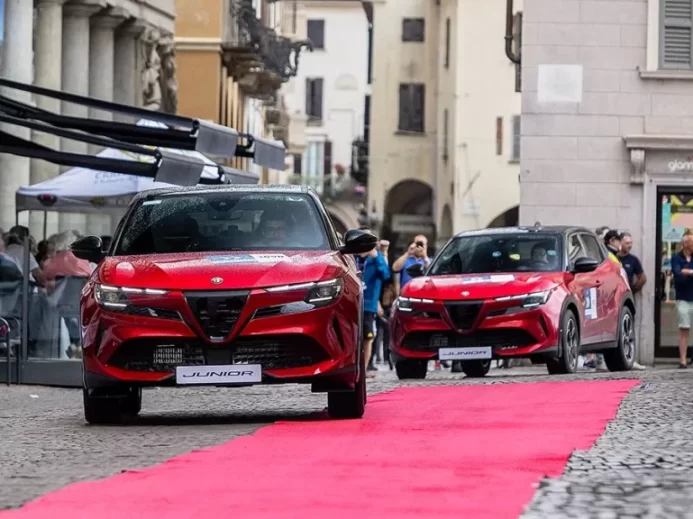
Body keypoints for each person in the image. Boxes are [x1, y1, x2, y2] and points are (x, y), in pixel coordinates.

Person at [360, 237, 390, 378]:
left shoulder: (375, 259)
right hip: (358, 303)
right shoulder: (361, 260)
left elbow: (386, 274)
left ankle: (364, 369)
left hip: (369, 306)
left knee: (368, 337)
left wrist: (378, 255)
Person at [616, 232, 647, 371]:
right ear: (620, 242)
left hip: (626, 299)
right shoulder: (613, 258)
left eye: (631, 243)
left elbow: (642, 277)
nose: (629, 246)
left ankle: (630, 357)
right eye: (627, 243)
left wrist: (633, 289)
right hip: (613, 298)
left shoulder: (633, 260)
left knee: (627, 329)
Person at [671, 233, 693, 368]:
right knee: (684, 329)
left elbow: (682, 273)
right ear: (685, 244)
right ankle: (683, 360)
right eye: (691, 241)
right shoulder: (676, 258)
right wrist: (690, 273)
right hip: (683, 298)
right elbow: (678, 276)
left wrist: (687, 271)